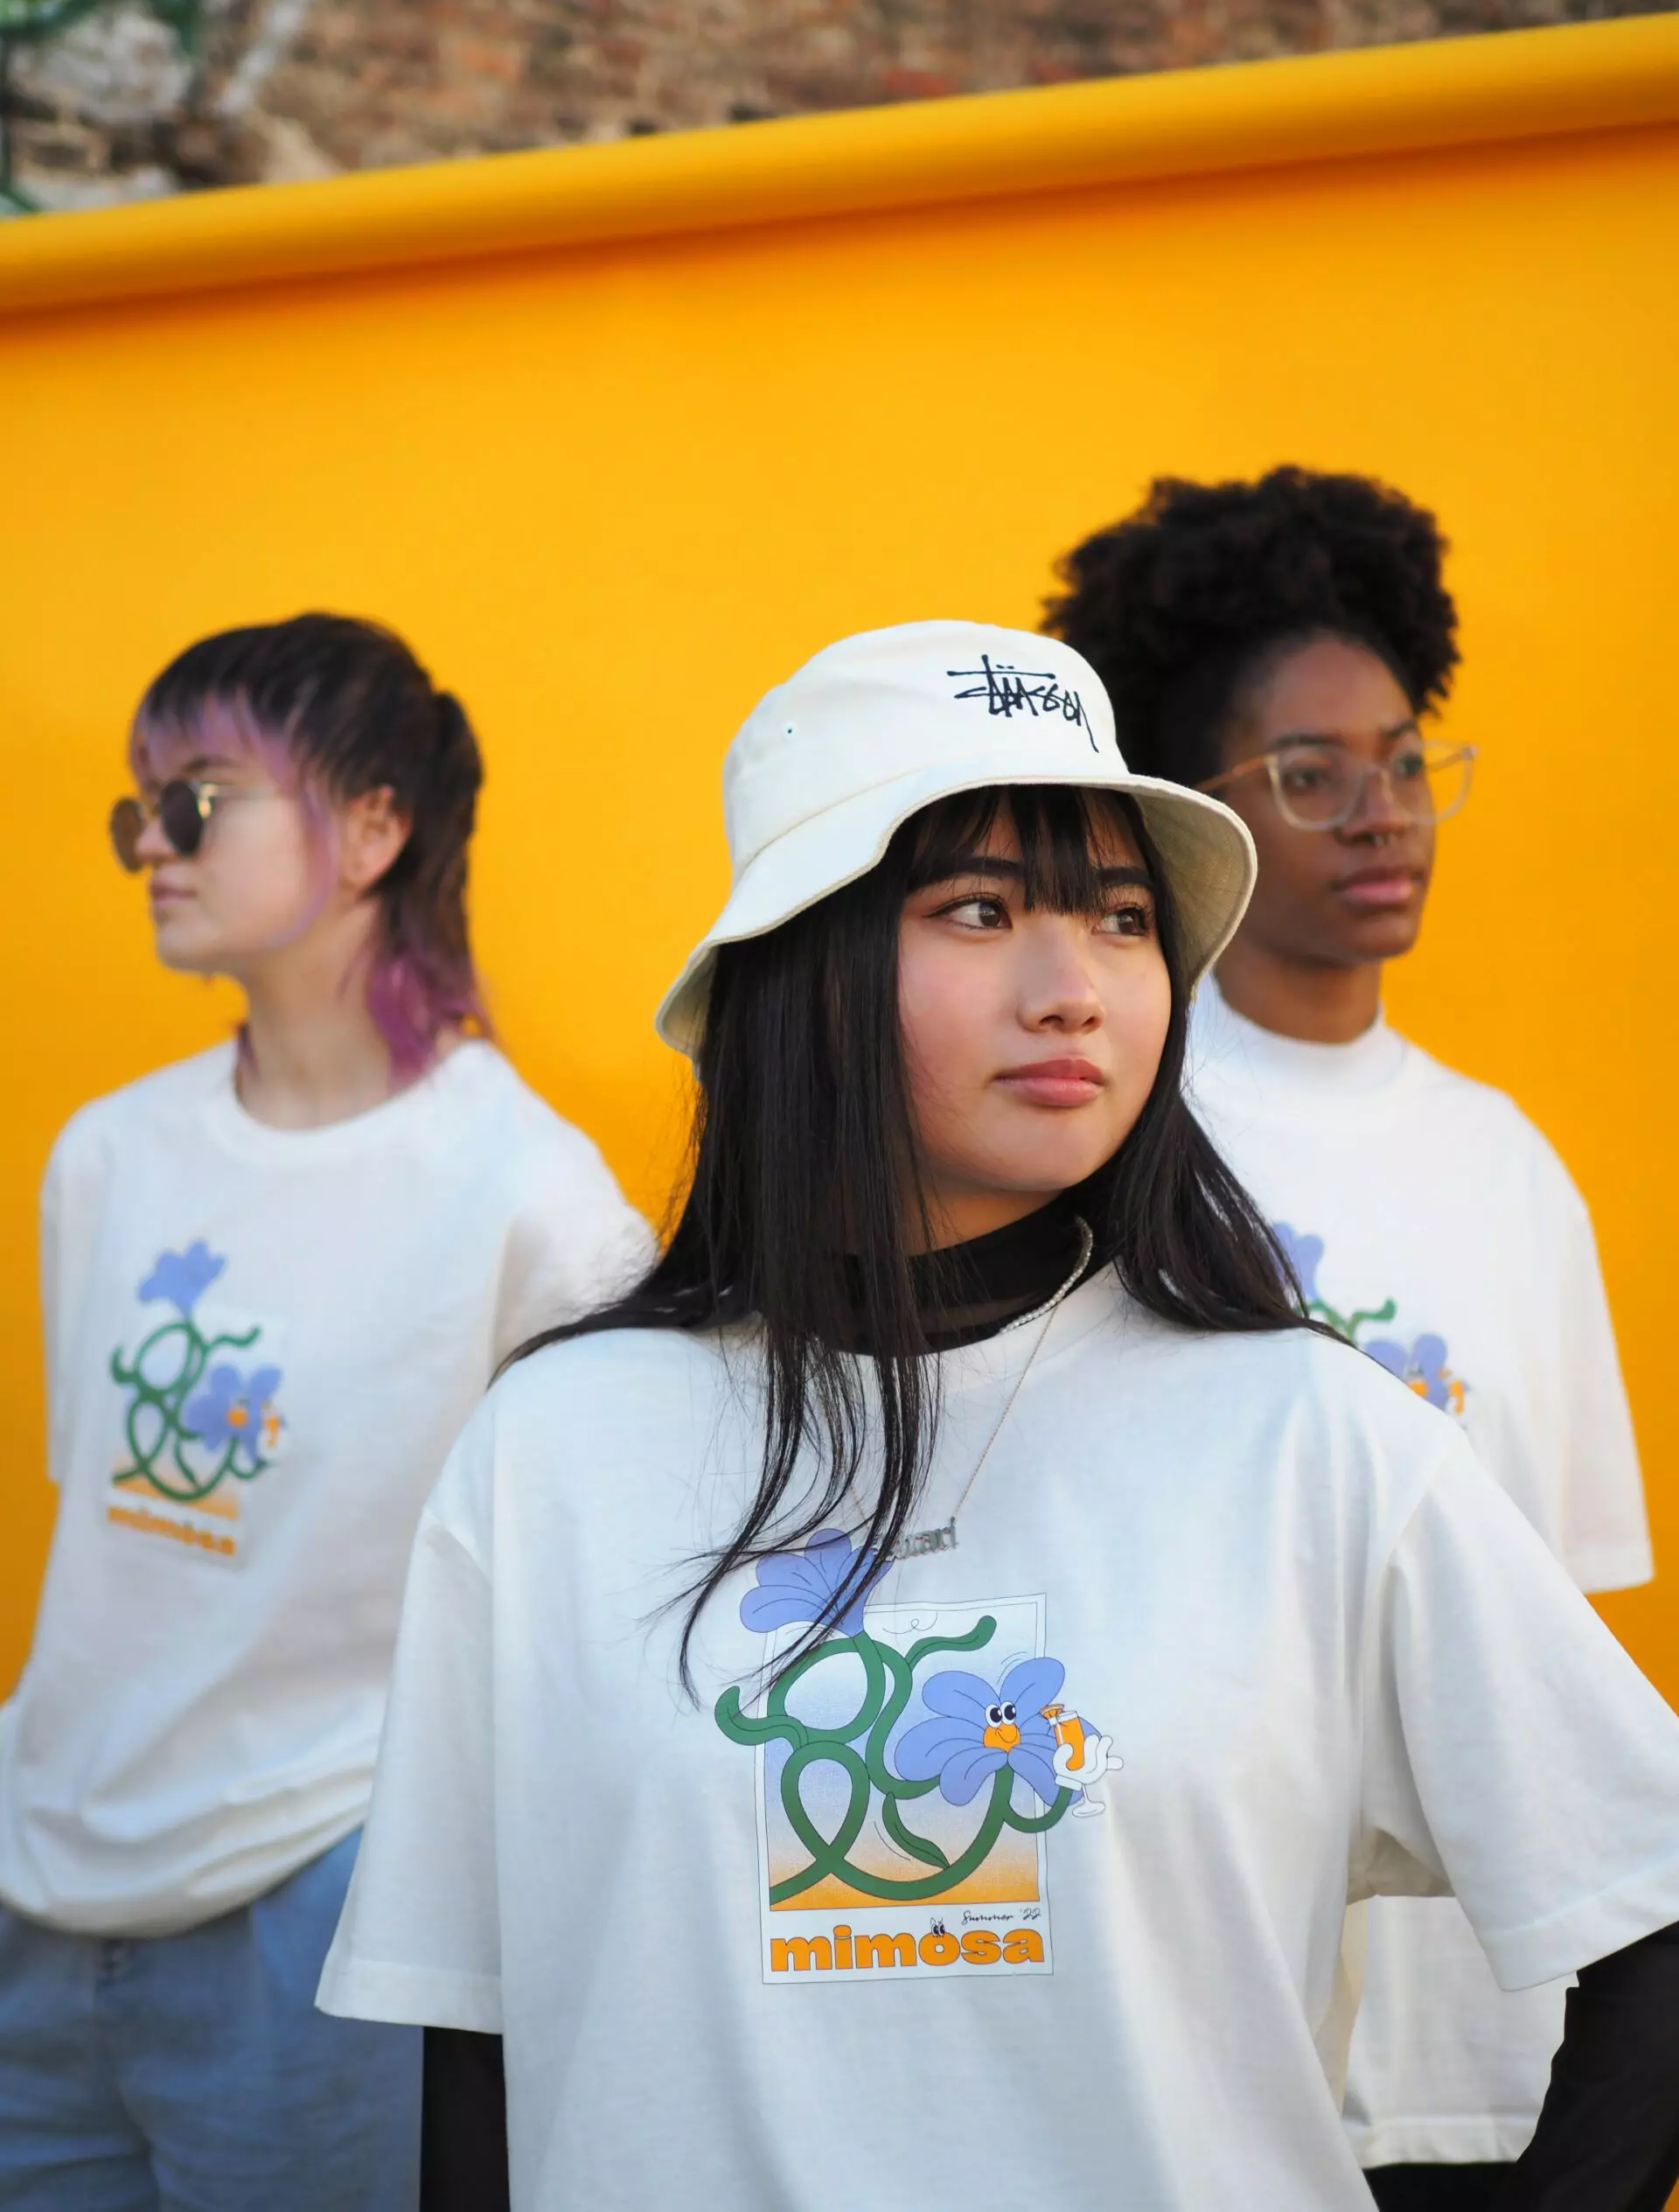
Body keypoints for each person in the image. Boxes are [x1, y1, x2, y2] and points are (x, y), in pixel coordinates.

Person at [321, 619, 1679, 2212]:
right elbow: (477, 2042)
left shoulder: (1316, 1440)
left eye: (1119, 918)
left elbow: (1646, 1920)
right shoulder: (551, 1453)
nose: (1075, 990)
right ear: (799, 967)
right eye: (979, 909)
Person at [1043, 467, 1656, 2209]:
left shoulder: (1507, 1163)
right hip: (1209, 2025)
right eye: (1311, 774)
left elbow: (1564, 1615)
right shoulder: (1114, 1141)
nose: (1382, 810)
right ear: (1197, 811)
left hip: (1489, 2036)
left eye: (1403, 757)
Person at [0, 615, 650, 2210]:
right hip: (40, 1890)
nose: (151, 841)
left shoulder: (534, 1205)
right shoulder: (107, 1155)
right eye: (136, 808)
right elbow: (112, 1531)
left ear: (374, 826)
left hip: (317, 1924)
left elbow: (581, 1617)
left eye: (201, 798)